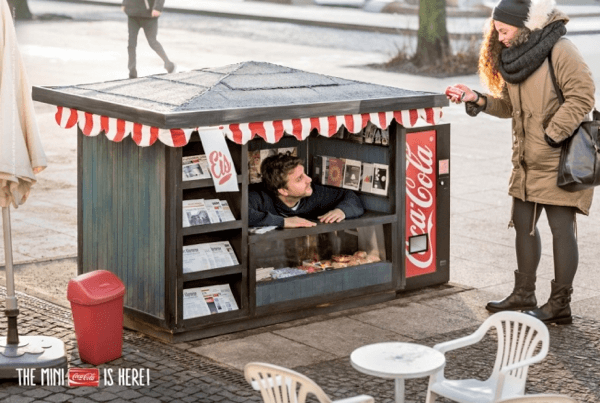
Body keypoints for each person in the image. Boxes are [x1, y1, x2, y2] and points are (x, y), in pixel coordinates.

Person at [445, 0, 595, 325]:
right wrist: (477, 99)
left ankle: (559, 305)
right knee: (523, 226)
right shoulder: (515, 57)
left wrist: (552, 134)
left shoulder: (560, 49)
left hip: (561, 158)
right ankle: (524, 293)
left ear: (523, 26)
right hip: (527, 161)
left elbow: (583, 95)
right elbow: (509, 107)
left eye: (504, 30)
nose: (499, 38)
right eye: (496, 31)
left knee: (561, 230)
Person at [249, 153, 364, 228]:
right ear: (283, 190)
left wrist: (342, 211)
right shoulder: (258, 196)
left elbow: (350, 197)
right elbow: (243, 215)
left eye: (304, 174)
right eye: (299, 179)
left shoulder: (314, 192)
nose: (309, 179)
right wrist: (283, 222)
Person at [122, 0, 176, 79]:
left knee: (152, 42)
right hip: (133, 14)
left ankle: (168, 64)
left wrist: (157, 8)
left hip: (149, 15)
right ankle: (132, 72)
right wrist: (125, 3)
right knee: (131, 44)